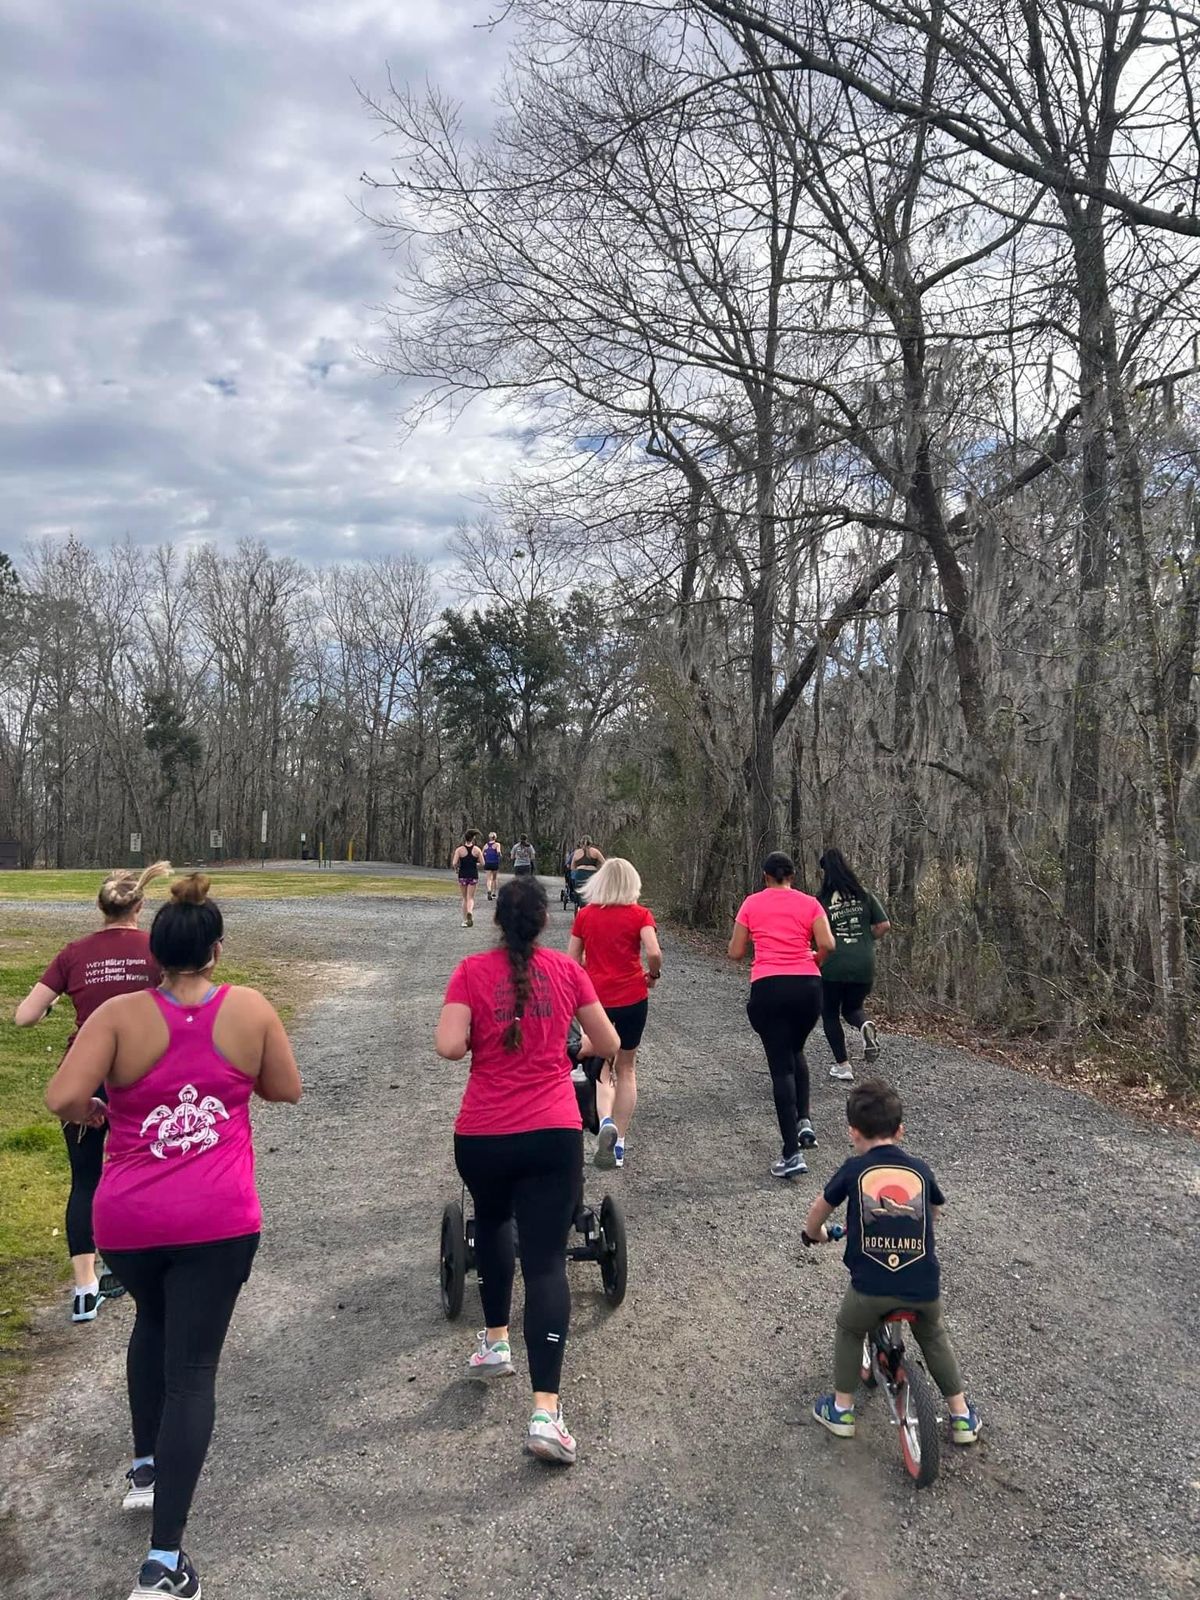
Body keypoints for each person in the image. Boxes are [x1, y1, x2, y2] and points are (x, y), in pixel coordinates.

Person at [45, 873, 302, 1599]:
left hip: (127, 1219)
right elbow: (286, 1088)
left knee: (151, 1325)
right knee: (192, 1372)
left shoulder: (120, 1016)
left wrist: (100, 1110)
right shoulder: (248, 1009)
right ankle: (163, 1564)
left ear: (155, 953)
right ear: (217, 952)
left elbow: (63, 1096)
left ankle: (144, 1466)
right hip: (217, 1220)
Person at [435, 876, 620, 1467]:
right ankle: (545, 1412)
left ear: (497, 920)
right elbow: (607, 1041)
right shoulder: (568, 974)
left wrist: (482, 1041)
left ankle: (494, 1342)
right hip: (551, 1133)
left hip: (483, 1134)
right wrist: (569, 1051)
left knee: (490, 1224)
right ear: (545, 922)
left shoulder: (469, 971)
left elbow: (448, 1046)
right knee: (544, 1263)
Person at [15, 860, 171, 1323]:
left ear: (99, 908)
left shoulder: (73, 953)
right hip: (142, 1074)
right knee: (144, 1169)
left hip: (85, 1074)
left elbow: (24, 1016)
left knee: (85, 1180)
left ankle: (84, 1291)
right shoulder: (156, 949)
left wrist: (54, 1006)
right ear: (140, 907)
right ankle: (131, 1266)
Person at [801, 1078, 981, 1447]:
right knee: (933, 1335)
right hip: (922, 1285)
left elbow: (818, 1213)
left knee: (850, 1329)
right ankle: (961, 1416)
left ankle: (842, 1410)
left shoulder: (854, 1169)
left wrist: (814, 1234)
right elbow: (935, 1209)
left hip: (871, 1290)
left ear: (852, 1132)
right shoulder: (919, 1170)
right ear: (900, 1131)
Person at [728, 851, 835, 1179]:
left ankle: (791, 1154)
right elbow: (828, 944)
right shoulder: (811, 904)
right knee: (795, 1049)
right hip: (808, 988)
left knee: (781, 1068)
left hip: (769, 986)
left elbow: (735, 952)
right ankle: (804, 1122)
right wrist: (811, 962)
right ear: (793, 876)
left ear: (765, 877)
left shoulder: (751, 904)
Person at [567, 857, 661, 1170]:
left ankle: (604, 1120)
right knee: (627, 1068)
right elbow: (653, 952)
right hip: (633, 997)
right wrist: (653, 974)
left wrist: (585, 974)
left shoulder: (587, 915)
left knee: (603, 1065)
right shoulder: (641, 915)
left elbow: (571, 959)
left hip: (595, 1001)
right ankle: (618, 1142)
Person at [817, 848, 891, 1083]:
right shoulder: (864, 895)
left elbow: (815, 935)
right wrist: (865, 938)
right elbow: (884, 925)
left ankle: (843, 1066)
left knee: (829, 1013)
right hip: (863, 963)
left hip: (833, 964)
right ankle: (864, 1025)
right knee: (852, 1009)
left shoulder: (822, 901)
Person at [451, 830, 485, 927]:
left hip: (462, 875)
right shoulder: (477, 850)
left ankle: (465, 919)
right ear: (473, 838)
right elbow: (483, 863)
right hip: (473, 875)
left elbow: (454, 863)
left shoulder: (459, 850)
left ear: (464, 838)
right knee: (470, 898)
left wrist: (456, 869)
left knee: (464, 898)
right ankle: (470, 912)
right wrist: (475, 864)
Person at [482, 833, 503, 900]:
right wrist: (500, 856)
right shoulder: (497, 844)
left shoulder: (485, 845)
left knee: (488, 879)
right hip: (494, 863)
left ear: (489, 838)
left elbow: (482, 853)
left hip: (487, 863)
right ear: (495, 837)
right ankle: (494, 893)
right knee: (494, 878)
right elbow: (498, 852)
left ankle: (489, 890)